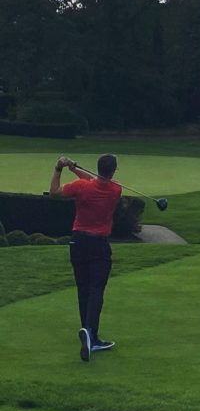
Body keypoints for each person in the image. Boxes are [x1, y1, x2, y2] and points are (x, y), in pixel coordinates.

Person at [49, 154, 122, 362]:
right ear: (113, 171)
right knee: (96, 290)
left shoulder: (81, 187)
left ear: (98, 168)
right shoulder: (116, 190)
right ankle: (91, 334)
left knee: (83, 289)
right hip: (99, 245)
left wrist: (59, 168)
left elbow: (54, 192)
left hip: (78, 242)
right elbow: (96, 181)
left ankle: (88, 333)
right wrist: (74, 169)